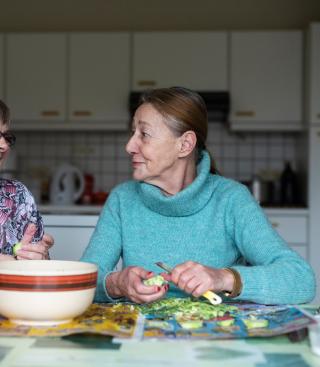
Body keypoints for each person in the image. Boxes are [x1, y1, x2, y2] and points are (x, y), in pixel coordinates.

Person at [81, 87, 315, 305]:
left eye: (144, 134)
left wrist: (224, 278)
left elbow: (301, 279)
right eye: (133, 133)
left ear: (185, 145)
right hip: (142, 342)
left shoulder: (231, 199)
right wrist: (116, 284)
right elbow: (81, 280)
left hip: (217, 342)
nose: (130, 146)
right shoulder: (123, 200)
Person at [0, 100, 53, 260]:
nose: (4, 145)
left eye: (6, 137)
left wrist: (39, 258)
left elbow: (41, 274)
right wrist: (8, 262)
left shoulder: (18, 195)